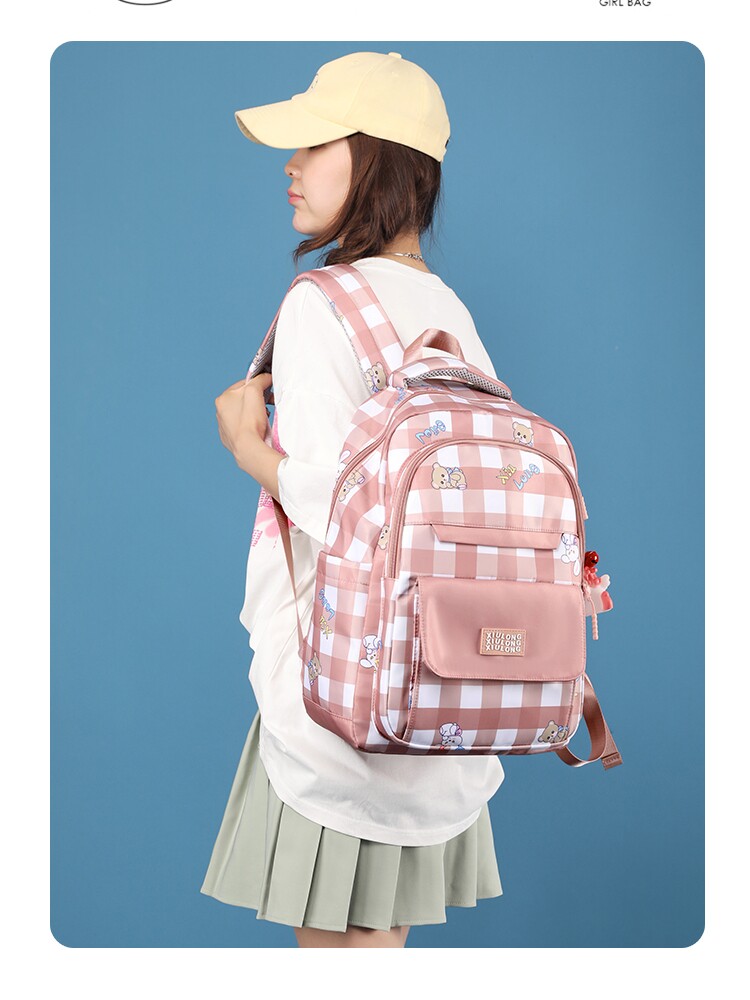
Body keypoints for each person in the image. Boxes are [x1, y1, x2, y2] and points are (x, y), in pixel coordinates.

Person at [201, 51, 505, 949]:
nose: (290, 166)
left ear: (376, 156)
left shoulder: (321, 303)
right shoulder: (447, 311)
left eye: (314, 143)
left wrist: (250, 452)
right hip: (444, 693)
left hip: (340, 696)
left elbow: (346, 507)